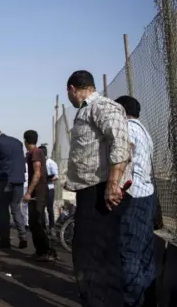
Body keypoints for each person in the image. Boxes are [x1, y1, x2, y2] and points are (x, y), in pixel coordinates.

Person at [65, 70, 132, 307]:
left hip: (101, 190)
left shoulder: (102, 106)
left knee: (93, 254)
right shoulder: (85, 111)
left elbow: (120, 141)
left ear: (73, 89)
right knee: (93, 253)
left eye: (69, 94)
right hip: (90, 191)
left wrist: (113, 183)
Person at [115, 95, 157, 307]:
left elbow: (123, 158)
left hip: (133, 197)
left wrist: (114, 186)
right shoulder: (144, 130)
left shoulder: (128, 129)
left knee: (129, 254)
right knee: (144, 255)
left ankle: (133, 302)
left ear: (121, 111)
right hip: (147, 195)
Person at [0, 127, 28, 249]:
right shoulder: (17, 142)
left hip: (5, 181)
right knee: (16, 208)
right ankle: (23, 237)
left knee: (3, 211)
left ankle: (5, 240)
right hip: (18, 180)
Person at [23, 131, 57, 262]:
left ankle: (48, 251)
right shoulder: (33, 153)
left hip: (39, 193)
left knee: (38, 222)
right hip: (37, 193)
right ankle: (41, 250)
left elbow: (37, 174)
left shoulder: (36, 153)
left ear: (26, 141)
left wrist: (28, 192)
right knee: (34, 223)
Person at [39, 145, 58, 231]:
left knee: (49, 208)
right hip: (41, 189)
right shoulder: (39, 163)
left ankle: (52, 227)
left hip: (49, 188)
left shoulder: (51, 163)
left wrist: (47, 179)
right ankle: (43, 226)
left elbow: (56, 176)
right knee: (41, 208)